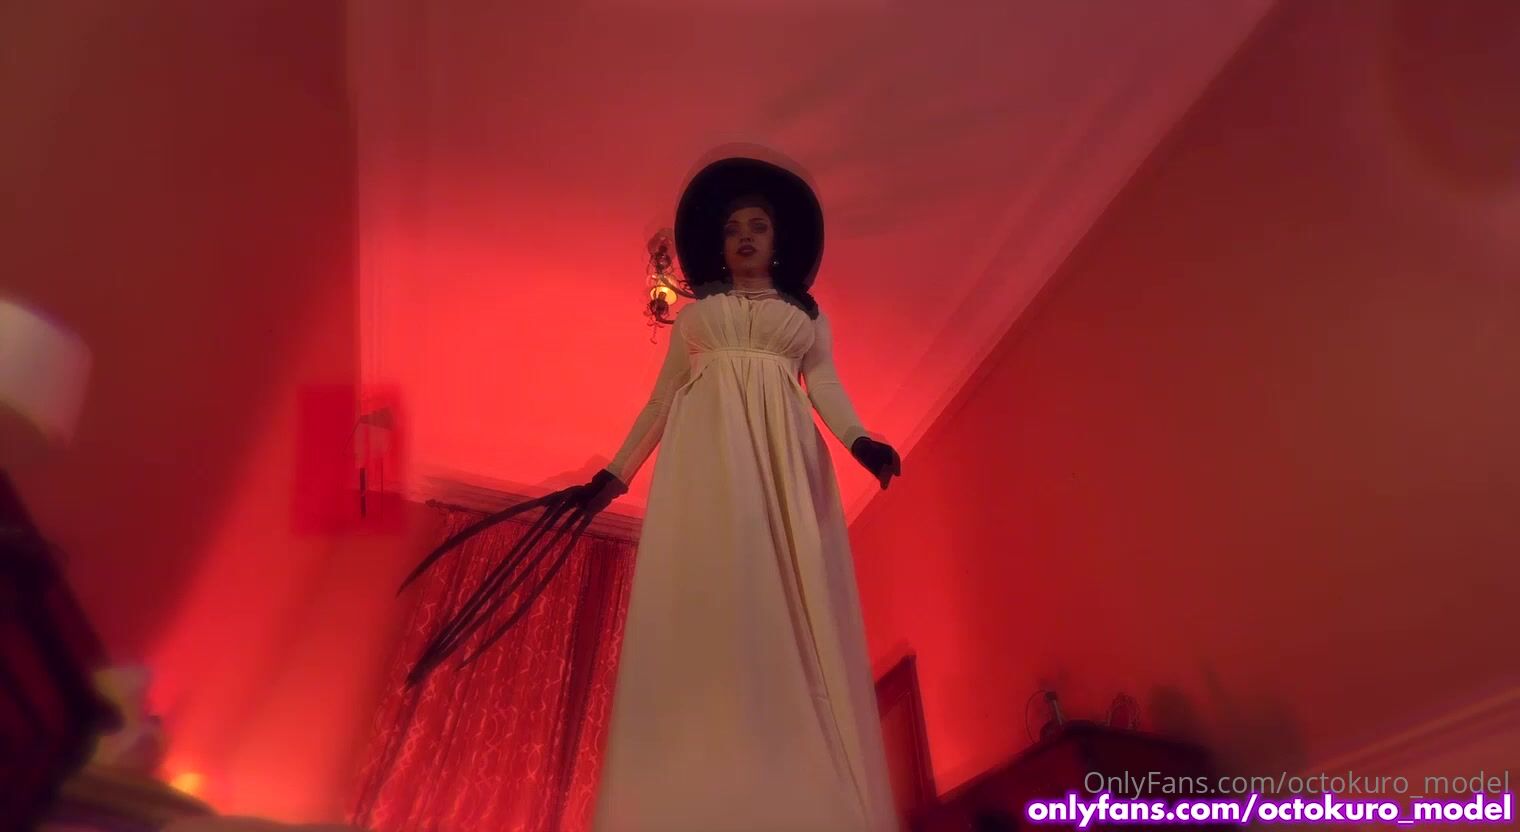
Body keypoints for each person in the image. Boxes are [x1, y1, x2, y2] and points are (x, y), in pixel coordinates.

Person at [585, 155, 903, 831]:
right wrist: (615, 473)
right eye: (734, 229)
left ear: (777, 240)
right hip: (707, 443)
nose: (746, 236)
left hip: (784, 444)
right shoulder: (698, 317)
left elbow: (825, 386)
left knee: (784, 565)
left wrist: (862, 443)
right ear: (721, 245)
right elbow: (662, 399)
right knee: (717, 555)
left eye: (758, 226)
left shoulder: (807, 316)